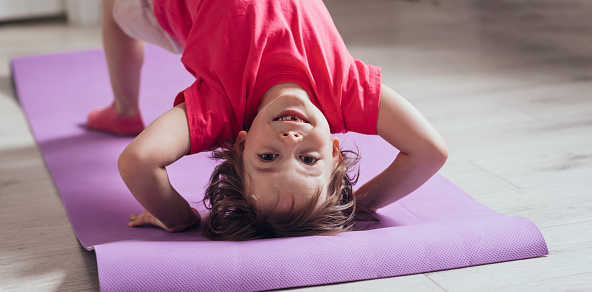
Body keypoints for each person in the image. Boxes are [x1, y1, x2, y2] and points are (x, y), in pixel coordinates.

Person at [89, 0, 448, 240]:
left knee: (115, 11)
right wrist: (356, 204)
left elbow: (138, 161)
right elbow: (430, 152)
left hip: (169, 8)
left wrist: (179, 216)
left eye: (267, 157)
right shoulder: (343, 91)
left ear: (242, 144)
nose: (290, 141)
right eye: (309, 159)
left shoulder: (221, 108)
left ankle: (123, 110)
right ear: (334, 153)